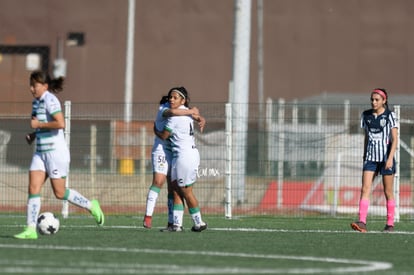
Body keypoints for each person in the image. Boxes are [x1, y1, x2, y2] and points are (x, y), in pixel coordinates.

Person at [14, 71, 104, 240]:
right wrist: (34, 134)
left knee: (60, 193)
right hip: (40, 153)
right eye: (30, 85)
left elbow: (60, 123)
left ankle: (91, 205)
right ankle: (31, 229)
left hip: (56, 154)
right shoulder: (35, 102)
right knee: (33, 188)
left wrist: (39, 124)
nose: (31, 88)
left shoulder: (50, 100)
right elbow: (40, 125)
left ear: (45, 86)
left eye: (35, 85)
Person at [143, 94, 204, 229]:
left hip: (181, 155)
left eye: (174, 98)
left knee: (182, 190)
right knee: (169, 186)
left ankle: (195, 222)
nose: (171, 100)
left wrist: (198, 116)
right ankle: (169, 222)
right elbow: (178, 112)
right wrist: (195, 113)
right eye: (170, 98)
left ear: (182, 101)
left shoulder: (177, 116)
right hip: (168, 152)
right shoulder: (167, 111)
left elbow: (166, 132)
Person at [351, 88, 399, 233]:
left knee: (388, 191)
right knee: (365, 188)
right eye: (372, 99)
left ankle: (390, 224)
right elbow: (367, 136)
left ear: (384, 101)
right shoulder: (366, 115)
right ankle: (362, 222)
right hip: (371, 158)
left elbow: (395, 139)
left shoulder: (390, 116)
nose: (374, 102)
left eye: (377, 99)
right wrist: (365, 154)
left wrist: (390, 158)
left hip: (385, 159)